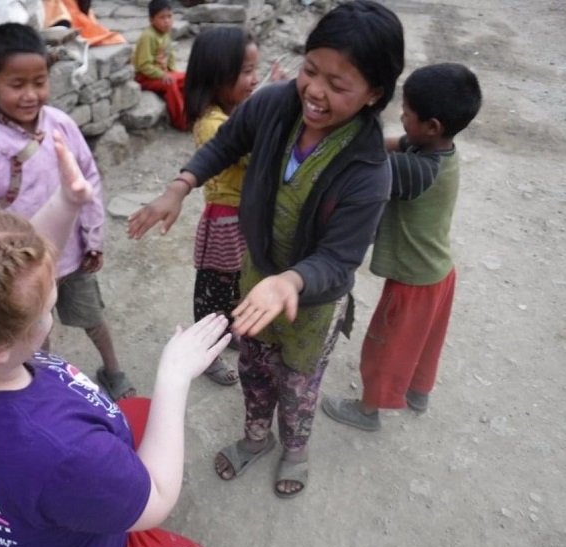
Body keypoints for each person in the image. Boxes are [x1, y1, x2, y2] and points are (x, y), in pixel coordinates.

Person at [0, 132, 228, 547]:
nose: (50, 306)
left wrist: (66, 203)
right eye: (46, 308)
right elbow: (156, 500)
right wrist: (174, 375)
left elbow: (11, 279)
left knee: (139, 414)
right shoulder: (62, 452)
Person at [127, 0, 404, 498]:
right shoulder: (277, 104)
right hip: (257, 278)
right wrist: (181, 184)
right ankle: (256, 438)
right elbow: (226, 143)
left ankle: (295, 447)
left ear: (373, 94)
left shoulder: (368, 170)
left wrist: (292, 281)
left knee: (299, 385)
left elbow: (340, 257)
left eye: (338, 85)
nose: (315, 91)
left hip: (313, 302)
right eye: (310, 70)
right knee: (255, 368)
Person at [0, 22, 136, 401]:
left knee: (92, 317)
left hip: (72, 254)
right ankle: (47, 387)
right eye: (16, 84)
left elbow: (88, 179)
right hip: (22, 264)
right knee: (36, 332)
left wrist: (94, 236)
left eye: (39, 81)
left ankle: (113, 368)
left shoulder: (62, 125)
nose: (30, 94)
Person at [321, 63, 483, 430]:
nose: (401, 118)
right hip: (439, 273)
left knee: (385, 345)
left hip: (412, 281)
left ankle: (366, 411)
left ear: (432, 125)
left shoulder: (420, 173)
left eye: (406, 113)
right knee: (425, 340)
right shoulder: (436, 149)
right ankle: (418, 391)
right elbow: (392, 144)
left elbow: (372, 164)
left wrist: (337, 140)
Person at [183, 26, 260, 386]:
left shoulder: (230, 113)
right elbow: (251, 156)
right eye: (246, 72)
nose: (254, 80)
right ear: (218, 76)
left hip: (239, 218)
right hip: (224, 220)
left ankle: (226, 331)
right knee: (213, 291)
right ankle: (207, 352)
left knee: (233, 285)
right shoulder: (214, 124)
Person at [132, 0, 187, 130]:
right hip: (145, 77)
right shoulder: (148, 36)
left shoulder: (166, 33)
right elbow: (143, 65)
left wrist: (173, 71)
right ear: (151, 20)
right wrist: (164, 75)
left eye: (169, 16)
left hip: (161, 73)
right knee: (171, 83)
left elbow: (170, 55)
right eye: (162, 17)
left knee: (189, 77)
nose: (167, 21)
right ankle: (181, 121)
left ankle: (191, 110)